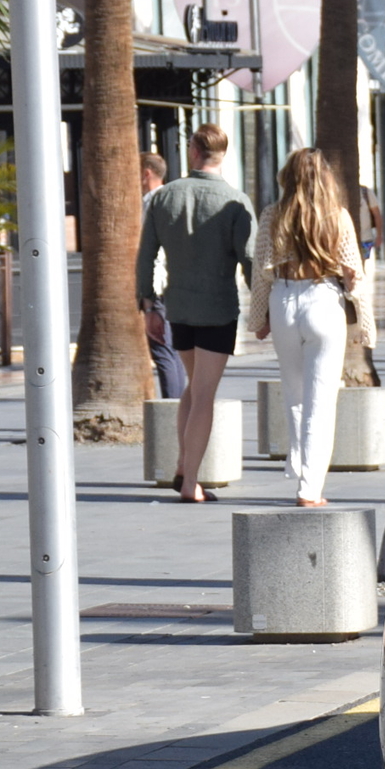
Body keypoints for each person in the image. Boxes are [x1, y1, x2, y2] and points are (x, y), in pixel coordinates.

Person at [136, 122, 255, 503]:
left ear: (193, 152)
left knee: (192, 384)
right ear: (223, 153)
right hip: (218, 307)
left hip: (178, 306)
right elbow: (248, 258)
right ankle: (191, 485)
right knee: (204, 393)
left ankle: (184, 465)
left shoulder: (164, 198)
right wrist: (263, 307)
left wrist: (148, 302)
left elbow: (146, 256)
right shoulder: (236, 201)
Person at [248, 149, 359, 507]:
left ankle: (299, 467)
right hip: (323, 300)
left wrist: (260, 317)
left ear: (288, 176)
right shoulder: (337, 217)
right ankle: (309, 488)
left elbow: (261, 271)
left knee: (295, 395)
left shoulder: (272, 216)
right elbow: (353, 274)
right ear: (325, 177)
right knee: (321, 402)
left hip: (284, 301)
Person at [136, 151, 186, 400]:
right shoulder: (173, 197)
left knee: (163, 350)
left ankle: (170, 411)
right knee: (173, 351)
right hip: (176, 282)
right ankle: (177, 408)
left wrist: (147, 297)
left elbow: (149, 251)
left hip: (158, 285)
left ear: (146, 173)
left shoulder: (151, 202)